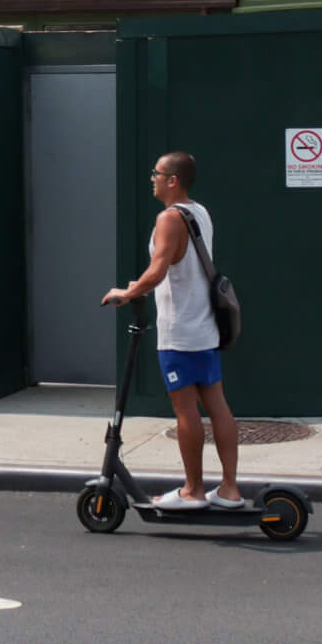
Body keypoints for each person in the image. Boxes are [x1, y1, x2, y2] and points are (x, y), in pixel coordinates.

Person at [102, 150, 240, 511]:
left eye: (157, 173)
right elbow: (182, 267)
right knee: (218, 406)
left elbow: (160, 268)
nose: (153, 178)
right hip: (205, 327)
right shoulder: (200, 212)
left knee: (186, 411)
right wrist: (144, 285)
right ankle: (229, 489)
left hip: (179, 332)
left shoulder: (168, 218)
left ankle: (193, 491)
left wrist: (127, 292)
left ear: (172, 180)